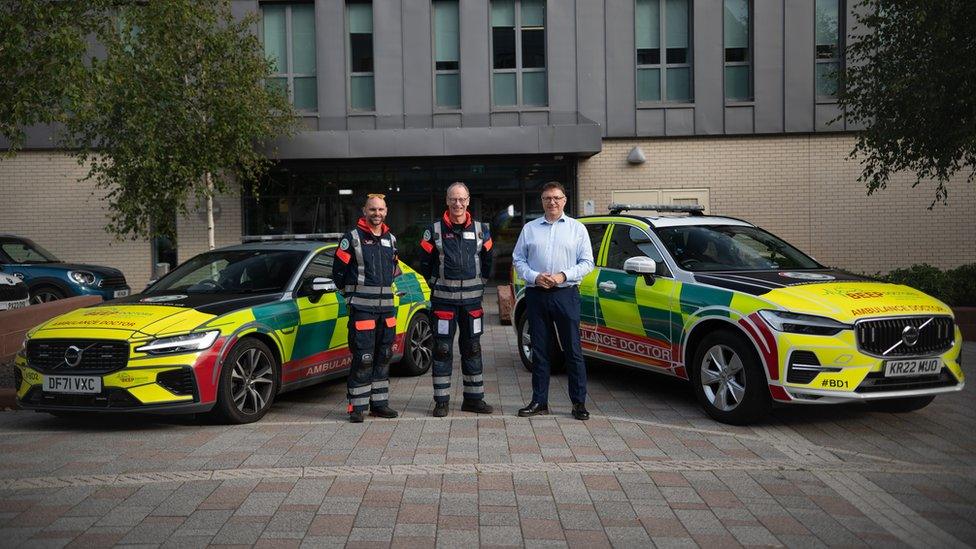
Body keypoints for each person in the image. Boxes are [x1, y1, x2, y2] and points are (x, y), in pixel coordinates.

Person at [512, 182, 594, 420]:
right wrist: (534, 277)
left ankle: (579, 403)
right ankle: (539, 401)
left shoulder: (577, 229)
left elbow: (587, 262)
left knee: (573, 350)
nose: (552, 202)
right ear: (542, 200)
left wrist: (562, 276)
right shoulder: (530, 228)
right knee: (540, 350)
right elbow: (518, 260)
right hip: (536, 295)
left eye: (557, 197)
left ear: (564, 200)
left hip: (565, 294)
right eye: (548, 198)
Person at [418, 182, 495, 417]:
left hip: (472, 304)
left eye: (462, 199)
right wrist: (436, 284)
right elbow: (424, 263)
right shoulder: (434, 231)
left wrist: (479, 285)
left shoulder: (483, 230)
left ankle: (474, 400)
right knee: (441, 349)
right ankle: (441, 401)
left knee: (472, 348)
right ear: (447, 200)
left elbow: (488, 261)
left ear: (468, 200)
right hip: (444, 303)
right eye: (453, 199)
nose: (458, 204)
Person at [332, 194, 401, 423]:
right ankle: (356, 407)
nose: (377, 214)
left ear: (386, 211)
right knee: (364, 357)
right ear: (364, 211)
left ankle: (379, 404)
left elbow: (394, 270)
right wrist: (351, 296)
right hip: (362, 310)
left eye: (380, 210)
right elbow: (338, 273)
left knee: (384, 355)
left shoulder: (391, 239)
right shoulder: (351, 238)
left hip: (386, 311)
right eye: (372, 210)